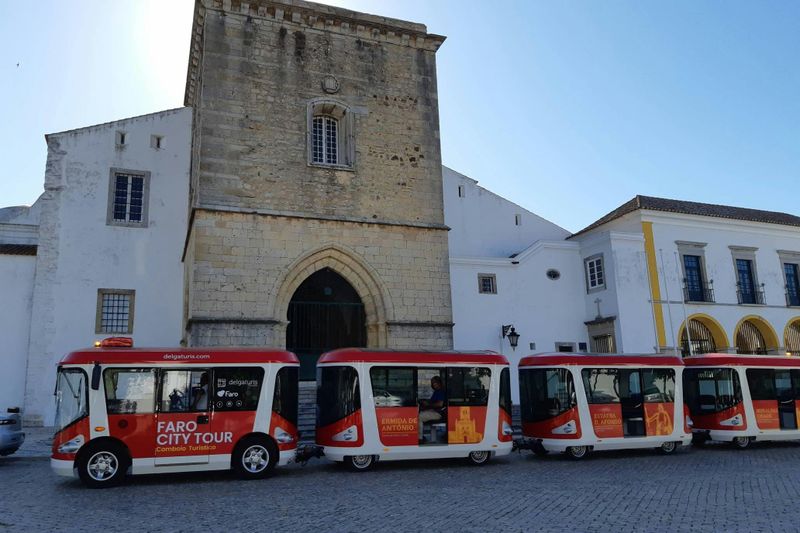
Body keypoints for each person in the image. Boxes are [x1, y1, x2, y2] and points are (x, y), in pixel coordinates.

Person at [419, 376, 445, 441]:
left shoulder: (441, 391)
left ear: (439, 383)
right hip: (433, 411)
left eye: (435, 383)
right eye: (432, 383)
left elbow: (440, 404)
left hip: (438, 413)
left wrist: (428, 404)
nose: (433, 384)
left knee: (419, 418)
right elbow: (432, 401)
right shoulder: (436, 391)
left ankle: (419, 438)